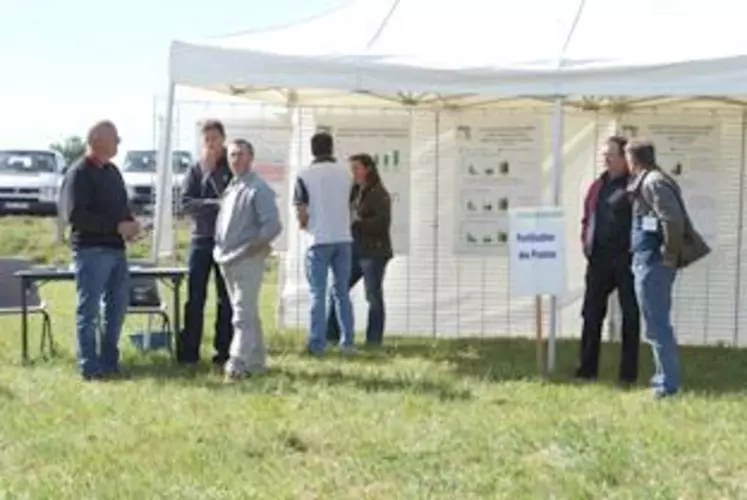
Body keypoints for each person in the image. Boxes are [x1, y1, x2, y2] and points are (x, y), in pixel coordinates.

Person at [61, 120, 142, 380]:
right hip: (91, 250)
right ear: (98, 139)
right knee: (90, 310)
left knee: (117, 308)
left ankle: (109, 361)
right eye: (115, 138)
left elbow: (120, 207)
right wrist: (116, 226)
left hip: (116, 250)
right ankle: (89, 365)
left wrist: (130, 226)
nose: (118, 142)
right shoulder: (79, 173)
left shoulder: (113, 171)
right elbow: (75, 215)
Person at [213, 139, 282, 381]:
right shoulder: (232, 187)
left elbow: (273, 224)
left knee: (241, 314)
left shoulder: (258, 188)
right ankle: (256, 362)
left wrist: (257, 244)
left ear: (251, 157)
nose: (236, 159)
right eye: (232, 155)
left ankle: (237, 362)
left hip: (247, 259)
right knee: (247, 312)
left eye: (241, 154)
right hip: (227, 259)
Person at [576, 136, 640, 385]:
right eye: (604, 155)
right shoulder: (598, 185)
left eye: (610, 155)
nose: (606, 159)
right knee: (591, 314)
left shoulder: (635, 186)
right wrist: (585, 241)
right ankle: (586, 369)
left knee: (630, 316)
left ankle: (627, 375)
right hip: (599, 260)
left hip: (627, 260)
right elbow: (587, 217)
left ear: (625, 158)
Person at [626, 138, 685, 398]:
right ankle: (663, 379)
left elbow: (672, 219)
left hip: (654, 262)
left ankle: (666, 385)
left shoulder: (653, 182)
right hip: (648, 260)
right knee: (654, 323)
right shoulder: (651, 180)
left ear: (632, 160)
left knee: (657, 325)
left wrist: (668, 255)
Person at [177, 120, 233, 368]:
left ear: (223, 139)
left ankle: (224, 352)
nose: (211, 143)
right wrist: (213, 204)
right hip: (200, 240)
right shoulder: (195, 169)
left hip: (226, 239)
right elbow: (186, 203)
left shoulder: (230, 167)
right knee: (195, 297)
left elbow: (232, 200)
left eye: (215, 138)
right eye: (206, 139)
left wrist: (213, 201)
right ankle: (189, 352)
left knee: (226, 298)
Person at [293, 132, 355, 355]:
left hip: (318, 238)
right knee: (342, 293)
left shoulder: (305, 175)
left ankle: (316, 343)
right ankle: (348, 342)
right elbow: (351, 205)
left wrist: (304, 224)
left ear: (312, 150)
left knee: (317, 294)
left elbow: (301, 207)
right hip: (343, 238)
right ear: (331, 148)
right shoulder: (346, 175)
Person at [327, 154, 392, 347]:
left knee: (372, 295)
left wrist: (358, 222)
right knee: (338, 290)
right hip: (354, 250)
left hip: (373, 252)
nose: (353, 172)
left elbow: (382, 223)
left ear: (368, 169)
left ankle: (373, 340)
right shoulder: (354, 191)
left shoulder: (379, 193)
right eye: (351, 168)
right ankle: (331, 335)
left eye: (356, 168)